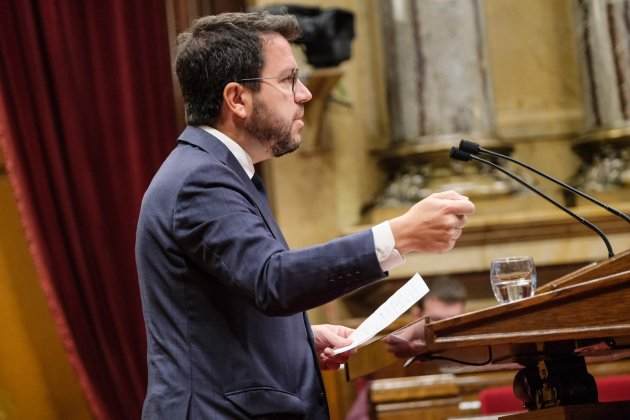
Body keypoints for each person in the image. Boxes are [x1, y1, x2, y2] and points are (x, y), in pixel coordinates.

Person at [135, 11, 475, 420]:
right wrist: (397, 236)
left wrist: (297, 337)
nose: (305, 94)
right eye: (287, 80)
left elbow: (229, 302)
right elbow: (273, 280)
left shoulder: (219, 172)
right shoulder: (200, 180)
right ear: (237, 99)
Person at [345, 278, 468, 420]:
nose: (444, 330)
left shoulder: (478, 354)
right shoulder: (387, 357)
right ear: (416, 315)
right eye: (435, 321)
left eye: (454, 322)